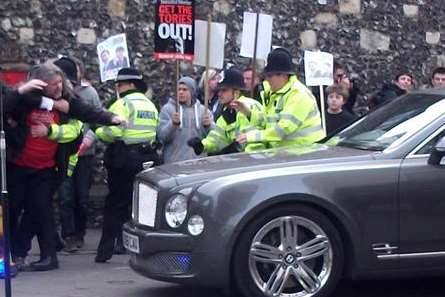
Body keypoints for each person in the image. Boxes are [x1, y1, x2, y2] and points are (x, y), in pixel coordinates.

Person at [95, 67, 160, 263]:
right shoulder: (150, 105)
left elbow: (113, 132)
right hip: (148, 157)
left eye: (120, 84)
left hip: (125, 158)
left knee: (115, 204)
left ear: (131, 85)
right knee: (142, 205)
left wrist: (99, 131)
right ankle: (142, 248)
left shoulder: (122, 103)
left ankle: (105, 250)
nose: (117, 87)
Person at [55, 57, 103, 252]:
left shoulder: (90, 93)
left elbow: (97, 119)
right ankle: (68, 236)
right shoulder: (57, 94)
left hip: (84, 154)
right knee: (65, 196)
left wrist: (89, 138)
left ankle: (80, 233)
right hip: (64, 152)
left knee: (82, 197)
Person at [234, 48, 325, 149]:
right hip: (290, 153)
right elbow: (269, 120)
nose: (267, 80)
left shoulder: (299, 94)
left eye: (269, 76)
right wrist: (249, 113)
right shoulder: (275, 93)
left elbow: (283, 129)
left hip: (307, 153)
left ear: (283, 75)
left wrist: (251, 136)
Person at [188, 68, 265, 156]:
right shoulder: (227, 113)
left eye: (224, 90)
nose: (219, 94)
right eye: (219, 90)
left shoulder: (250, 105)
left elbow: (255, 141)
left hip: (253, 162)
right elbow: (218, 138)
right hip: (239, 163)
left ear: (236, 92)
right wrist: (202, 145)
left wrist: (238, 151)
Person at [158, 76, 213, 163]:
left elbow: (214, 137)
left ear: (192, 91)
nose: (181, 92)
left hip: (198, 162)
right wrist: (172, 124)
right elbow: (162, 136)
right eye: (179, 89)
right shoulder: (168, 109)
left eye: (185, 89)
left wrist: (209, 126)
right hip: (174, 163)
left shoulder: (203, 110)